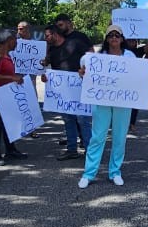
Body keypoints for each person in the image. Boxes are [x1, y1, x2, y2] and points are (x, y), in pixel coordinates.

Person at [78, 25, 133, 187]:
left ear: (122, 39)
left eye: (117, 35)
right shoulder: (97, 57)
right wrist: (82, 73)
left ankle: (115, 171)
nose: (114, 38)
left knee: (119, 137)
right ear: (106, 39)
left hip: (123, 102)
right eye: (111, 35)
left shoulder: (130, 56)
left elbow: (138, 75)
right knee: (97, 137)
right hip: (101, 101)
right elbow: (85, 70)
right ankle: (89, 173)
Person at [48, 14, 94, 160]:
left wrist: (86, 70)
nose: (59, 28)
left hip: (80, 86)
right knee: (68, 120)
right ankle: (71, 149)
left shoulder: (79, 38)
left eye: (61, 25)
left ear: (69, 23)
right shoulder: (54, 48)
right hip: (64, 90)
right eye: (57, 26)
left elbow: (92, 56)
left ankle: (90, 151)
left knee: (83, 120)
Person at [0, 29, 27, 165]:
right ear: (10, 40)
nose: (17, 42)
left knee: (9, 125)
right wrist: (11, 77)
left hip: (8, 95)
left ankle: (10, 150)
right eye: (15, 40)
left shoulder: (6, 55)